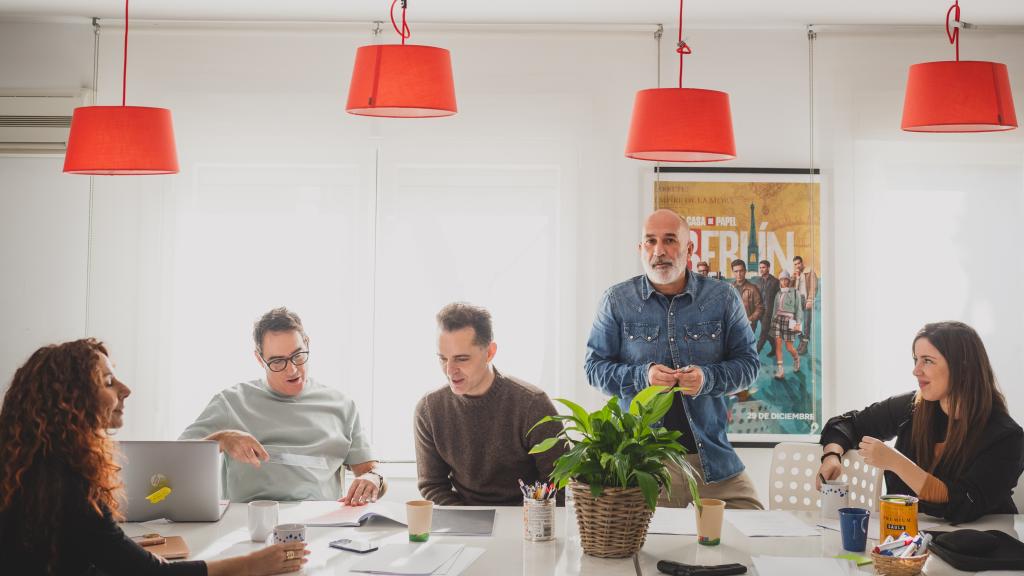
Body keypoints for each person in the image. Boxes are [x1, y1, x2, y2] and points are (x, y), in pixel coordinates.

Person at [0, 339, 309, 575]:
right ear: (71, 400)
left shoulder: (35, 469)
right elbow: (152, 574)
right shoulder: (68, 482)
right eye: (108, 382)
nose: (126, 389)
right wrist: (255, 564)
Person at [584, 209, 763, 509]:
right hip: (644, 465)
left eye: (670, 240)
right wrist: (644, 376)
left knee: (756, 529)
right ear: (640, 249)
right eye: (650, 241)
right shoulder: (616, 300)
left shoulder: (723, 298)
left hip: (711, 461)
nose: (659, 251)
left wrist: (707, 379)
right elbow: (594, 369)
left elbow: (749, 366)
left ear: (689, 249)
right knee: (643, 552)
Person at [817, 321, 1024, 523]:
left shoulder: (1006, 437)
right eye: (915, 359)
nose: (916, 371)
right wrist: (832, 455)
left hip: (983, 545)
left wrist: (896, 462)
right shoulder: (913, 407)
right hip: (911, 542)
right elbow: (848, 423)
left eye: (927, 360)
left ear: (963, 367)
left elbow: (962, 504)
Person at [180, 307, 383, 504]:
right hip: (248, 526)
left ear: (307, 343)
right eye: (277, 361)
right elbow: (174, 461)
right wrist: (220, 440)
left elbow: (371, 472)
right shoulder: (231, 402)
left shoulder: (342, 406)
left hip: (320, 525)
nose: (292, 370)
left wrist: (374, 479)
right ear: (259, 359)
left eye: (298, 355)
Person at [414, 303, 565, 506]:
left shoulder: (532, 405)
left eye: (461, 359)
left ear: (490, 352)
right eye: (442, 358)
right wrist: (469, 524)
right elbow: (432, 485)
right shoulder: (428, 410)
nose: (450, 370)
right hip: (464, 523)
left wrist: (526, 522)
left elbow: (559, 481)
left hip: (529, 521)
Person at [770, 271, 803, 379]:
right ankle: (780, 371)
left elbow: (799, 309)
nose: (783, 282)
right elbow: (775, 310)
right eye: (781, 279)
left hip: (790, 321)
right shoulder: (778, 294)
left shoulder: (795, 292)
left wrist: (798, 323)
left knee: (789, 347)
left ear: (789, 280)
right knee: (778, 345)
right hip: (778, 320)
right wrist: (772, 323)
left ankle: (796, 359)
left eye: (785, 279)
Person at [792, 255, 818, 356]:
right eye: (795, 264)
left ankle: (805, 346)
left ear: (802, 263)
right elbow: (790, 287)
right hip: (797, 301)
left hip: (807, 300)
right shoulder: (795, 274)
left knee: (807, 324)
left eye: (799, 263)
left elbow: (814, 287)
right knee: (793, 324)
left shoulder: (810, 272)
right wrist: (795, 277)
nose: (797, 266)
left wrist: (810, 300)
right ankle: (803, 340)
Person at [755, 259, 780, 358]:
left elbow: (779, 298)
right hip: (760, 310)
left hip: (769, 311)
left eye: (763, 267)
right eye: (760, 267)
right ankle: (775, 348)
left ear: (768, 268)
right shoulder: (758, 281)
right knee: (768, 331)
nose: (761, 269)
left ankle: (755, 353)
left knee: (763, 332)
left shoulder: (775, 281)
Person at [730, 258, 763, 328]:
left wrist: (750, 320)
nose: (738, 274)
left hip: (749, 325)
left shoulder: (753, 288)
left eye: (741, 271)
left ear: (745, 271)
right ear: (732, 272)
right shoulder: (730, 289)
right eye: (736, 271)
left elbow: (760, 308)